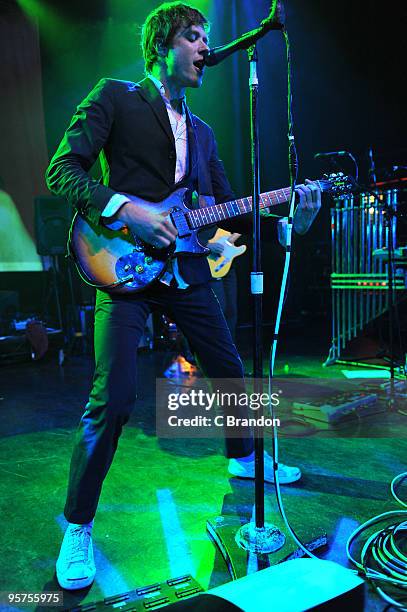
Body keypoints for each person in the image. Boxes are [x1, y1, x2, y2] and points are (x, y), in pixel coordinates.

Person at [46, 1, 321, 590]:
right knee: (114, 396)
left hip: (187, 271)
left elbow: (228, 211)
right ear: (161, 46)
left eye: (205, 37)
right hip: (121, 266)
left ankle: (244, 459)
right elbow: (63, 172)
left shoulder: (203, 132)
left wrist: (288, 213)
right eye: (193, 37)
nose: (204, 48)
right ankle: (78, 525)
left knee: (228, 369)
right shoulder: (116, 96)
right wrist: (131, 211)